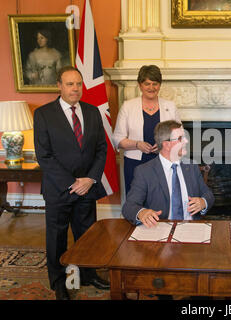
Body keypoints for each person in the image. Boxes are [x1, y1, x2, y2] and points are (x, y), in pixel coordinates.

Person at [33, 66, 110, 300]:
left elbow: (101, 149)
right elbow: (44, 156)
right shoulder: (44, 114)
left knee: (87, 235)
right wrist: (71, 183)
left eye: (78, 83)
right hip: (59, 189)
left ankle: (88, 274)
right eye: (69, 84)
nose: (75, 88)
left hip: (87, 187)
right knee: (57, 239)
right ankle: (58, 283)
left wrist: (90, 179)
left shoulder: (92, 111)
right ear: (59, 85)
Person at [122, 120, 214, 228]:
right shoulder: (144, 172)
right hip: (160, 230)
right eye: (180, 138)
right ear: (166, 144)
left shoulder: (191, 166)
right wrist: (142, 213)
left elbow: (208, 194)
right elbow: (129, 207)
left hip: (190, 228)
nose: (186, 141)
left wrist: (203, 202)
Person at [113, 65, 181, 194]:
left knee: (162, 200)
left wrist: (164, 146)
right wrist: (137, 144)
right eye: (147, 84)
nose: (151, 88)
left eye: (155, 84)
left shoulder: (170, 106)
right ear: (140, 85)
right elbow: (117, 139)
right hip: (135, 164)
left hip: (164, 162)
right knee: (137, 201)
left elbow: (180, 137)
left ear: (160, 85)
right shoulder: (128, 106)